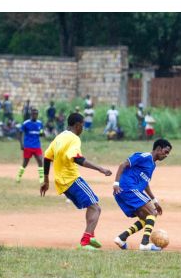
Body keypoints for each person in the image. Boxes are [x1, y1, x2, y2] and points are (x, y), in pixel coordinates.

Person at [40, 112, 112, 250]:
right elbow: (78, 159)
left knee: (91, 205)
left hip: (61, 183)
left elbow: (47, 157)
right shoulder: (74, 139)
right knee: (96, 208)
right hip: (72, 179)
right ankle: (85, 242)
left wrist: (46, 180)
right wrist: (100, 169)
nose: (83, 129)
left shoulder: (59, 137)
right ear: (78, 125)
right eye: (83, 126)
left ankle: (90, 236)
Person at [112, 139, 172, 251]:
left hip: (128, 191)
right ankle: (144, 244)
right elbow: (123, 164)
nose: (166, 155)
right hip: (127, 188)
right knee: (152, 213)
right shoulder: (144, 156)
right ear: (158, 149)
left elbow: (144, 184)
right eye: (166, 151)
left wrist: (155, 201)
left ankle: (121, 238)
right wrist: (116, 183)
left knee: (145, 218)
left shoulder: (152, 165)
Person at [16, 108, 45, 184]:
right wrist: (21, 144)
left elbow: (41, 133)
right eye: (33, 114)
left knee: (40, 160)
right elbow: (19, 133)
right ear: (31, 114)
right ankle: (19, 176)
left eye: (36, 114)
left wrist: (42, 134)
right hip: (28, 146)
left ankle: (41, 179)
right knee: (25, 162)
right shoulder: (26, 123)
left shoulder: (40, 123)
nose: (35, 115)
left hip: (37, 146)